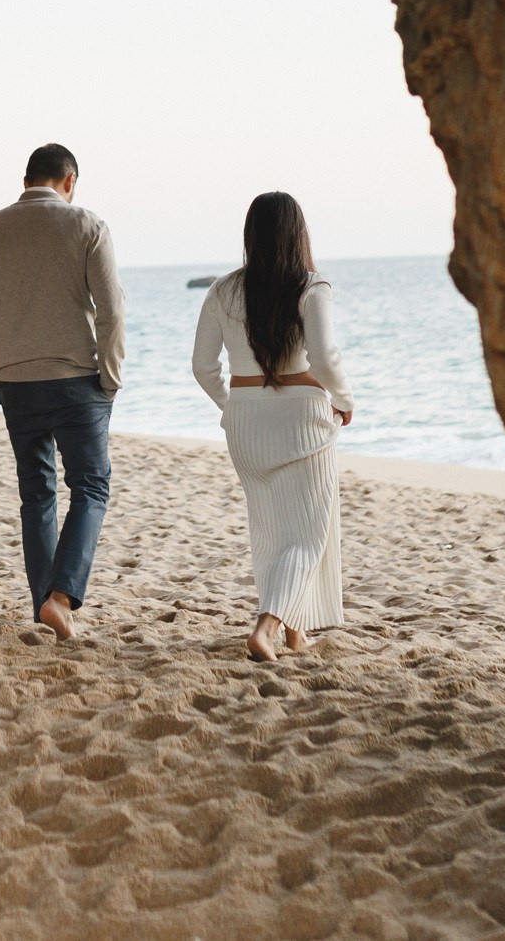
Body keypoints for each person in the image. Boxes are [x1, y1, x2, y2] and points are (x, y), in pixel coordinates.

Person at [0, 143, 126, 639]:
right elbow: (112, 311)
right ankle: (61, 596)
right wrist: (110, 376)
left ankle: (45, 609)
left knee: (37, 494)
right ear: (68, 181)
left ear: (27, 179)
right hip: (77, 382)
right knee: (91, 485)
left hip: (16, 385)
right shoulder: (88, 226)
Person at [192, 191, 351, 661]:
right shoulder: (311, 287)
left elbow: (203, 366)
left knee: (269, 532)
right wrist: (344, 400)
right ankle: (266, 628)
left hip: (245, 422)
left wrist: (231, 405)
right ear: (297, 233)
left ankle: (296, 633)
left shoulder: (223, 290)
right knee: (307, 535)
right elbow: (323, 358)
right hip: (301, 418)